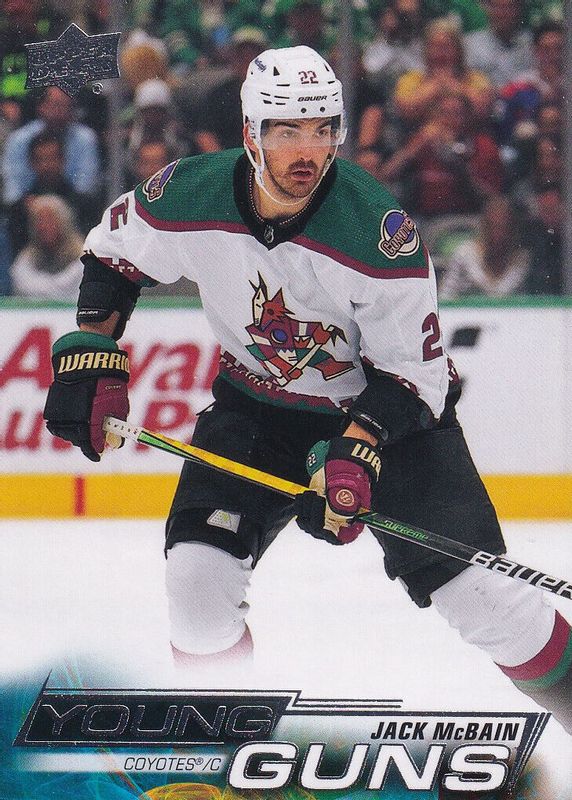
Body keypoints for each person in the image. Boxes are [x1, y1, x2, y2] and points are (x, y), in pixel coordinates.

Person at [43, 46, 572, 733]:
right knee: (197, 588)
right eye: (287, 130)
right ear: (250, 133)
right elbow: (113, 252)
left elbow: (417, 376)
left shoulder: (377, 234)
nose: (307, 151)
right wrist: (92, 348)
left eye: (323, 129)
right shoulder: (188, 193)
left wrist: (357, 449)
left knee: (490, 605)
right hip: (256, 410)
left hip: (389, 423)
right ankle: (220, 758)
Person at [1, 86, 100, 205]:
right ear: (41, 107)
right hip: (28, 204)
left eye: (66, 106)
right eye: (55, 105)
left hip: (73, 204)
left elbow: (86, 186)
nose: (59, 112)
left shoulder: (85, 137)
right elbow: (12, 191)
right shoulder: (19, 139)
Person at [439, 194, 530, 298]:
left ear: (512, 229)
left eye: (502, 227)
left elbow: (501, 294)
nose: (497, 234)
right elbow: (445, 295)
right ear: (484, 227)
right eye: (492, 226)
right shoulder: (464, 253)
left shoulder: (521, 259)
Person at [9, 194, 84, 299]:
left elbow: (71, 288)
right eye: (40, 220)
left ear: (64, 222)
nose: (44, 226)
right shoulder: (28, 257)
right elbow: (21, 283)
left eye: (50, 220)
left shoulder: (82, 255)